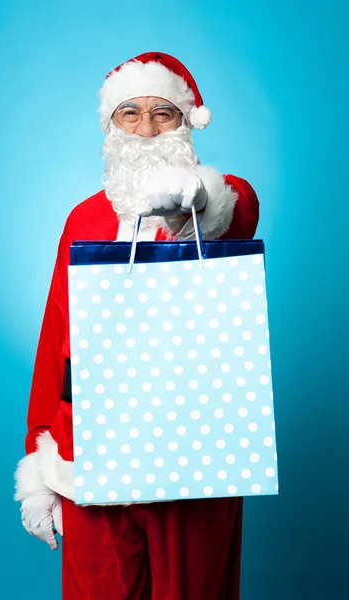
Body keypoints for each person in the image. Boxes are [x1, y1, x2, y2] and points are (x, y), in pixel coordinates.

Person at [14, 52, 259, 600]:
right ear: (111, 124)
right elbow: (57, 338)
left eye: (163, 114)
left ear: (186, 122)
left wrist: (195, 199)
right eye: (130, 113)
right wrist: (37, 461)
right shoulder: (83, 218)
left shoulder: (212, 204)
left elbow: (239, 207)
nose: (146, 129)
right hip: (89, 453)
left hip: (192, 449)